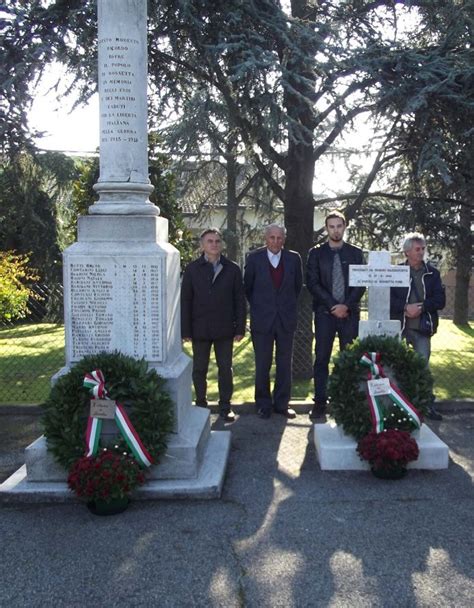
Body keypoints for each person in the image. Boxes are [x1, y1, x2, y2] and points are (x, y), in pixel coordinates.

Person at [181, 228, 246, 422]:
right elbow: (186, 300)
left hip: (225, 328)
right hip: (199, 328)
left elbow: (239, 300)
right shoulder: (193, 269)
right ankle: (201, 404)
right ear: (202, 245)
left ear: (222, 244)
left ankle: (225, 407)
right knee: (199, 369)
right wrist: (185, 330)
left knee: (225, 369)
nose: (214, 244)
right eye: (210, 241)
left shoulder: (232, 268)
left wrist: (240, 327)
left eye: (217, 241)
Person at [306, 210, 365, 420]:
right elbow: (312, 283)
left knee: (348, 359)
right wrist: (333, 305)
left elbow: (360, 283)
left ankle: (346, 402)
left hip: (349, 314)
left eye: (339, 226)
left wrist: (346, 306)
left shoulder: (355, 253)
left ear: (345, 226)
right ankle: (320, 402)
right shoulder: (316, 253)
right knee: (321, 358)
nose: (335, 230)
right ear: (327, 228)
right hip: (324, 313)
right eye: (331, 226)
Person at [244, 224, 303, 419]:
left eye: (279, 238)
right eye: (272, 237)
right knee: (262, 364)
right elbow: (248, 288)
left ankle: (282, 404)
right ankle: (263, 404)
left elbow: (296, 288)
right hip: (262, 321)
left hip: (286, 320)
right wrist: (263, 307)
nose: (275, 241)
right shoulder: (253, 259)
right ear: (265, 238)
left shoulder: (294, 259)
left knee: (285, 364)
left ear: (284, 239)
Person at [390, 232, 446, 421]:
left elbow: (440, 300)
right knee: (396, 366)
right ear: (407, 252)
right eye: (417, 249)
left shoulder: (432, 273)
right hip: (401, 328)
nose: (421, 252)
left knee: (423, 368)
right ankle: (397, 404)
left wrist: (421, 308)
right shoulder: (395, 272)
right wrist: (405, 307)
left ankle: (427, 406)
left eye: (423, 248)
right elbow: (388, 299)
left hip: (422, 329)